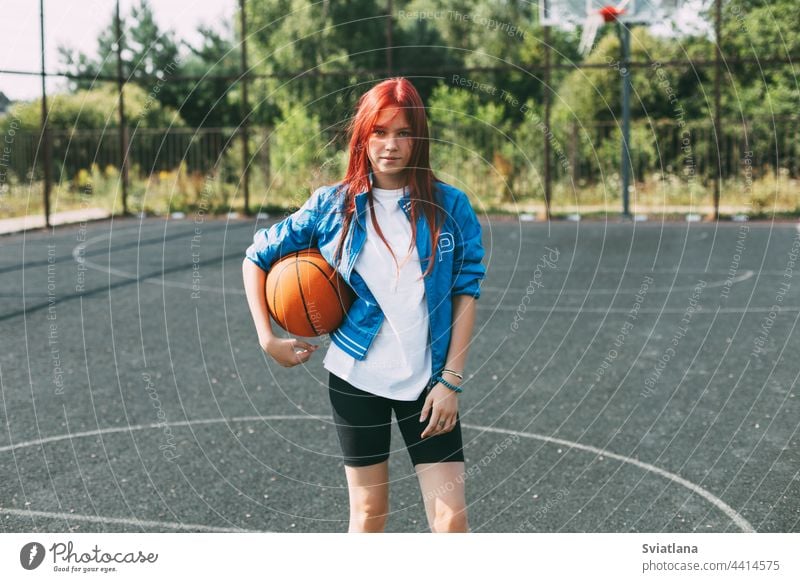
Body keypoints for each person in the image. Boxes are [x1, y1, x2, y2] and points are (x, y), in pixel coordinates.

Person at [242, 77, 486, 533]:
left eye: (402, 132)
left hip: (429, 385)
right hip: (357, 381)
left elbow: (465, 291)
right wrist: (267, 337)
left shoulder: (450, 206)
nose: (391, 145)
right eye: (379, 131)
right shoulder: (333, 205)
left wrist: (450, 380)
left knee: (451, 520)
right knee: (369, 516)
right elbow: (257, 256)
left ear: (419, 138)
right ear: (362, 136)